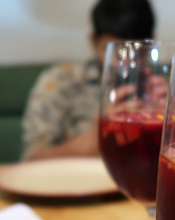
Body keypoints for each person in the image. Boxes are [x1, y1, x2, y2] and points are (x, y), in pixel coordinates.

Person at [21, 0, 155, 160]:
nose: (125, 64)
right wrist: (96, 138)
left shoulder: (157, 88)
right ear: (94, 41)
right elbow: (31, 158)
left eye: (136, 52)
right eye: (114, 50)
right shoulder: (62, 81)